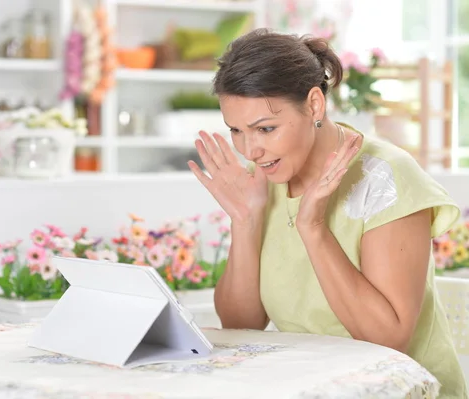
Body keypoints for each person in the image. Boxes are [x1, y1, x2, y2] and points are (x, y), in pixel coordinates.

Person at [188, 28, 467, 398]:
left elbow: (388, 338)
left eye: (265, 129)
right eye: (236, 131)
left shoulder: (386, 179)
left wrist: (313, 226)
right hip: (311, 386)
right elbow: (242, 325)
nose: (250, 150)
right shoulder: (265, 178)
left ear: (315, 105)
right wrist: (246, 221)